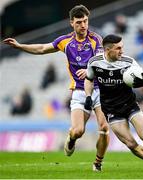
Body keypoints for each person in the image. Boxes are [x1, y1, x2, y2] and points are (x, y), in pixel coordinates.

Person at [3, 5, 109, 171]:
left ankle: (97, 163)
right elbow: (42, 48)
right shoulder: (65, 41)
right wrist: (20, 46)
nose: (83, 25)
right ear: (71, 23)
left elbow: (101, 62)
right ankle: (72, 138)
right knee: (78, 131)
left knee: (103, 127)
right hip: (79, 92)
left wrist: (90, 69)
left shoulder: (96, 39)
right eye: (79, 22)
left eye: (86, 21)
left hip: (98, 90)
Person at [84, 34, 143, 171]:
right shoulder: (94, 62)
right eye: (118, 48)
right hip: (111, 109)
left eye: (122, 47)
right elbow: (88, 79)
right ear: (107, 50)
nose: (122, 51)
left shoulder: (128, 62)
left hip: (129, 105)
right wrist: (88, 96)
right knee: (130, 143)